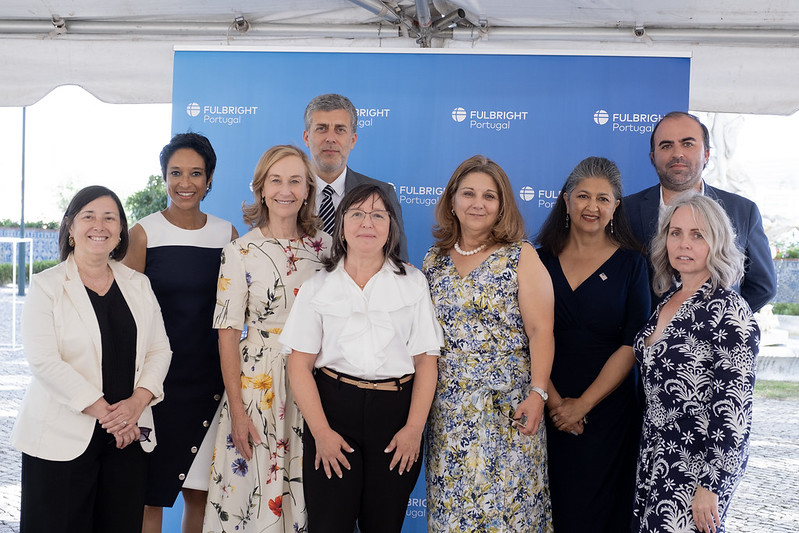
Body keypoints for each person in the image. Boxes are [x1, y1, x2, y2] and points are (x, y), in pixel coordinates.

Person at [282, 184, 442, 533]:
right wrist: (321, 432)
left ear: (390, 227)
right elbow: (299, 365)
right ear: (341, 226)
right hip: (334, 414)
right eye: (356, 214)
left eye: (377, 215)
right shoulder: (318, 285)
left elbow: (426, 363)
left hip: (395, 418)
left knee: (384, 525)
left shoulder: (414, 283)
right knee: (329, 525)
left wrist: (414, 429)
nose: (366, 223)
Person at [12, 185, 172, 532]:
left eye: (109, 218)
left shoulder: (138, 284)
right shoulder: (46, 286)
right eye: (88, 216)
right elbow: (44, 361)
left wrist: (136, 405)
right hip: (60, 439)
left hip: (127, 439)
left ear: (119, 232)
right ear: (70, 228)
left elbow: (160, 349)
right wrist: (108, 414)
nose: (99, 225)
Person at [423, 155, 555, 532]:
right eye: (468, 193)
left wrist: (538, 393)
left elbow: (541, 331)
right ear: (452, 201)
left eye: (489, 196)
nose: (477, 203)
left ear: (502, 206)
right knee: (453, 513)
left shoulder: (520, 255)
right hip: (449, 411)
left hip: (509, 408)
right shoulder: (433, 261)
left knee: (508, 513)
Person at [203, 145, 331, 532]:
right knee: (251, 491)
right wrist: (238, 413)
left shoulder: (326, 248)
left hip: (315, 382)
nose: (285, 190)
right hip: (258, 387)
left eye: (295, 180)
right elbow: (227, 337)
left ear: (308, 189)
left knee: (304, 490)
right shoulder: (239, 251)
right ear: (261, 189)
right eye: (276, 180)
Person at [123, 133, 238, 532]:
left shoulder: (227, 234)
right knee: (149, 493)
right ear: (164, 177)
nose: (185, 183)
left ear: (209, 180)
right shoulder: (143, 233)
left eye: (195, 173)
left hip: (212, 385)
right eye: (175, 173)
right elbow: (129, 314)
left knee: (202, 495)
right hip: (158, 385)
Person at [534, 156, 651, 532]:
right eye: (583, 196)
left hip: (609, 412)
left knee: (602, 515)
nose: (592, 206)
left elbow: (633, 343)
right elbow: (527, 337)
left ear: (616, 206)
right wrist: (555, 404)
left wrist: (582, 405)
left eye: (603, 198)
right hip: (544, 409)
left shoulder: (634, 265)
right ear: (565, 200)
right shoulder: (537, 261)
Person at [632, 193, 759, 533]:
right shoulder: (668, 299)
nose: (683, 244)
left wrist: (712, 486)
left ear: (716, 241)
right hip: (656, 458)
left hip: (697, 468)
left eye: (697, 235)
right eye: (676, 233)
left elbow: (735, 409)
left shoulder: (729, 309)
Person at [624, 111, 775, 312]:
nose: (678, 153)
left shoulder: (743, 211)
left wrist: (721, 319)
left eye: (687, 144)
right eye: (666, 145)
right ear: (653, 157)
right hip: (644, 339)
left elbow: (763, 287)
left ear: (706, 154)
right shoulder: (625, 211)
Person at [303, 93, 408, 261]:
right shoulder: (288, 195)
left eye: (340, 129)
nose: (331, 138)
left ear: (353, 140)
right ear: (307, 138)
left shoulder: (383, 193)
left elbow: (398, 263)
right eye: (321, 128)